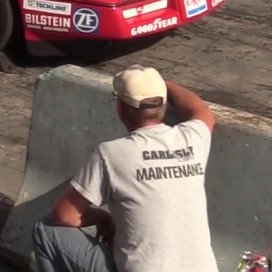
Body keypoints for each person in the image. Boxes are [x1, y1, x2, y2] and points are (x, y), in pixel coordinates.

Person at [32, 65, 217, 272]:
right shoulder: (192, 139)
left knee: (45, 230)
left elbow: (64, 215)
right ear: (162, 104)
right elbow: (201, 110)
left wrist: (102, 217)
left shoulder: (112, 153)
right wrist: (163, 85)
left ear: (120, 109)